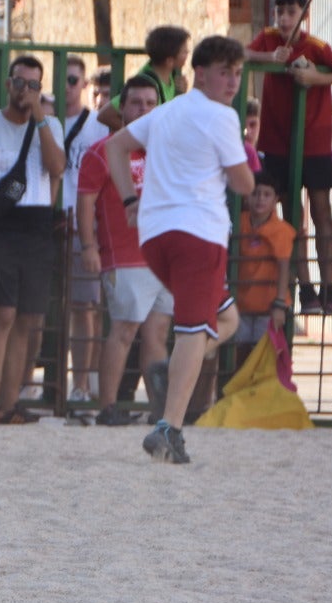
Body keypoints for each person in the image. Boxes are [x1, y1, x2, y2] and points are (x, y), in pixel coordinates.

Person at [107, 35, 255, 464]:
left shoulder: (166, 112)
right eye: (225, 73)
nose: (232, 81)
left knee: (225, 318)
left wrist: (129, 200)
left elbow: (116, 146)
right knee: (194, 330)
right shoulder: (221, 116)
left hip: (155, 236)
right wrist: (242, 148)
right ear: (201, 73)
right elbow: (245, 184)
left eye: (237, 73)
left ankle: (168, 371)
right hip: (198, 234)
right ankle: (168, 427)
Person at [0, 57, 66, 424]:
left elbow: (57, 169)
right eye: (20, 83)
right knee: (1, 314)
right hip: (0, 228)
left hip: (37, 226)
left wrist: (39, 118)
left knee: (27, 319)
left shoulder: (49, 126)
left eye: (33, 85)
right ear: (8, 85)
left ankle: (8, 404)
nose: (25, 91)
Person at [247, 0, 332, 316]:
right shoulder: (268, 38)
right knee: (291, 216)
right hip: (276, 141)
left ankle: (329, 288)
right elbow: (239, 54)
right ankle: (305, 289)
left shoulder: (315, 47)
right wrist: (268, 58)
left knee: (321, 210)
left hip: (313, 141)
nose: (284, 19)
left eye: (292, 12)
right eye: (279, 12)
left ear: (304, 15)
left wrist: (315, 77)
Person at [77, 76, 169, 427]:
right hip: (124, 256)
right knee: (124, 330)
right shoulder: (103, 151)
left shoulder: (165, 148)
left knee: (157, 334)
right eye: (136, 103)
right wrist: (89, 245)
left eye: (150, 103)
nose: (143, 109)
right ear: (122, 108)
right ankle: (109, 407)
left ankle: (160, 409)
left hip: (162, 256)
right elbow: (84, 201)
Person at [60, 55, 110, 404]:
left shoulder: (97, 128)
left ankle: (81, 384)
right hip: (48, 222)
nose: (67, 86)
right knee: (40, 308)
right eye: (62, 79)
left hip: (83, 225)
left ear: (84, 86)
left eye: (73, 80)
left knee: (84, 307)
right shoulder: (43, 122)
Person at [231, 172, 296, 368]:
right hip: (241, 304)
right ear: (247, 196)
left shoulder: (282, 230)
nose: (260, 199)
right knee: (238, 356)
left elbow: (284, 266)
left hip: (267, 307)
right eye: (256, 193)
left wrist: (279, 305)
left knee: (263, 357)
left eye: (267, 195)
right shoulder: (238, 222)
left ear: (276, 199)